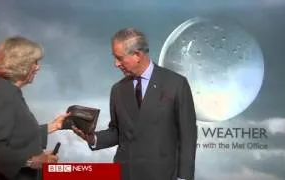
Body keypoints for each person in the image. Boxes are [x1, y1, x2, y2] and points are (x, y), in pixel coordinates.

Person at [73, 28, 197, 180]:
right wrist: (92, 138)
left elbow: (188, 136)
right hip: (127, 174)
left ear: (137, 55)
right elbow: (118, 132)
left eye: (119, 58)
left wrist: (184, 177)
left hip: (163, 174)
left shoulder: (176, 84)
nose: (116, 64)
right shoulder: (118, 90)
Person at [0, 36, 70, 180]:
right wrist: (32, 161)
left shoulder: (8, 91)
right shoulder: (3, 96)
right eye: (35, 62)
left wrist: (53, 126)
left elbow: (18, 135)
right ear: (22, 64)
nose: (38, 67)